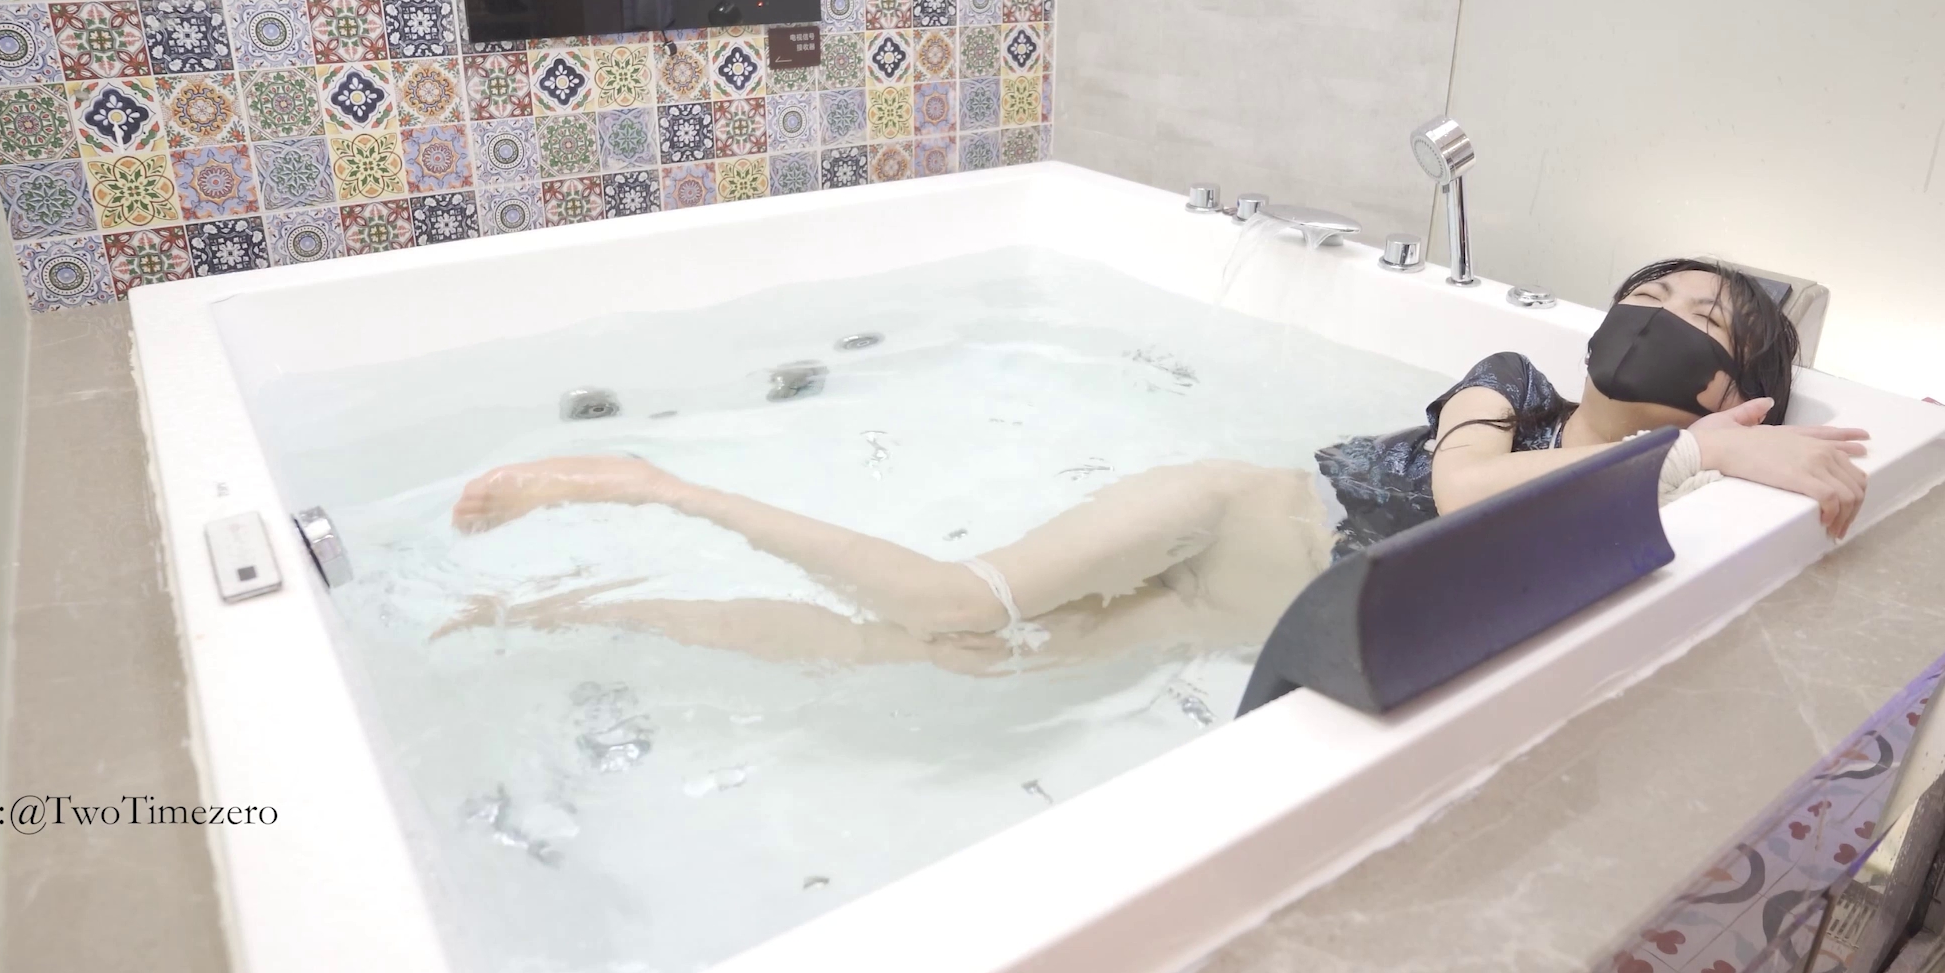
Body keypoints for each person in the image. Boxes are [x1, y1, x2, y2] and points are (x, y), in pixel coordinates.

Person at [439, 260, 1870, 673]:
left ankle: (585, 616)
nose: (1649, 314)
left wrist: (1721, 464)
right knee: (953, 603)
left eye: (1691, 314)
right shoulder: (1510, 385)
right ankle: (663, 487)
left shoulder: (1678, 475)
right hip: (1233, 519)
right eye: (1645, 292)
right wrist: (1692, 459)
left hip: (1239, 623)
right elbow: (1460, 500)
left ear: (1730, 380)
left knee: (913, 659)